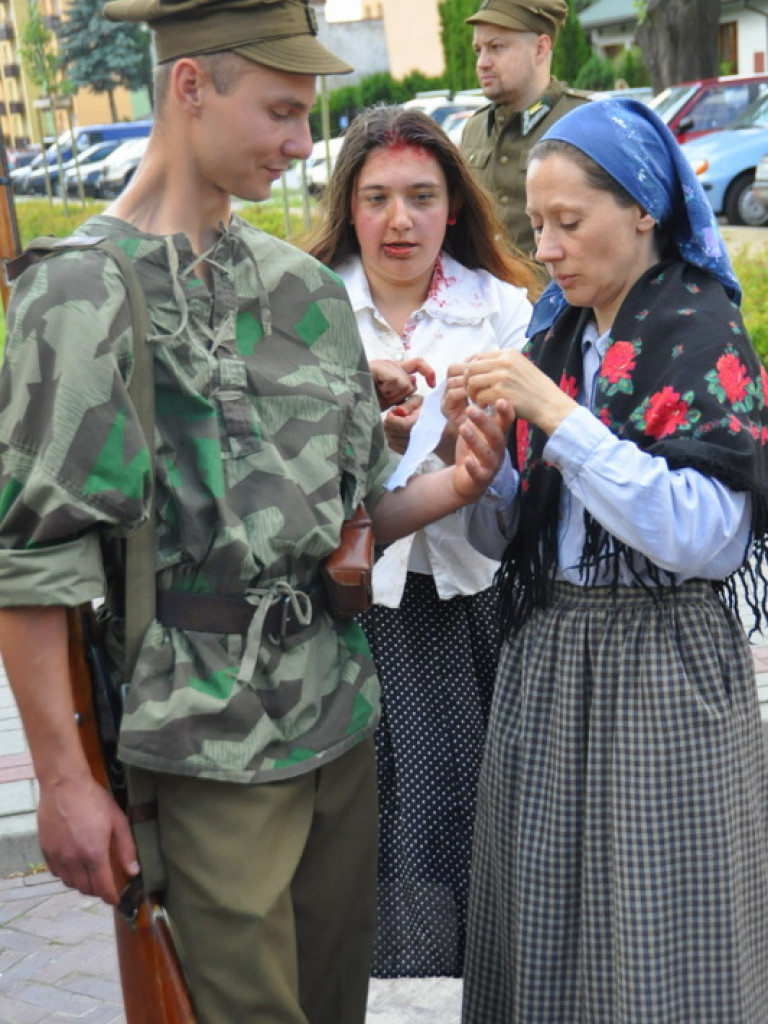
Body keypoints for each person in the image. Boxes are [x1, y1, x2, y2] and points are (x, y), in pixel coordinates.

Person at [0, 3, 511, 1023]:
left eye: (305, 114)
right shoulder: (82, 292)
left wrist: (452, 484)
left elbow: (355, 521)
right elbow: (34, 559)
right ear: (191, 88)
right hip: (202, 752)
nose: (298, 142)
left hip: (340, 727)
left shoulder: (299, 291)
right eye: (280, 111)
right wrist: (64, 782)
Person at [447, 97, 768, 1023]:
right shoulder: (559, 336)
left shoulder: (701, 337)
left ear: (642, 211)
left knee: (665, 939)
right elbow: (519, 543)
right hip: (548, 662)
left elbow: (707, 538)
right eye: (536, 223)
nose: (544, 247)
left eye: (567, 223)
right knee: (548, 930)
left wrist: (559, 418)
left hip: (663, 669)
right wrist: (476, 480)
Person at [306, 104, 539, 979]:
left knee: (481, 837)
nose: (399, 221)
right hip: (352, 619)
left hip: (475, 610)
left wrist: (467, 459)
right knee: (372, 842)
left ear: (454, 206)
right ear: (348, 205)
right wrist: (382, 444)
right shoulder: (307, 310)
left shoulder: (506, 315)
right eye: (376, 198)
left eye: (421, 196)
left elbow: (524, 513)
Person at [460, 0, 589, 258]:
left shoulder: (581, 122)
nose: (482, 63)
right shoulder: (474, 129)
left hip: (559, 294)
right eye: (478, 50)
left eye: (497, 47)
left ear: (540, 49)